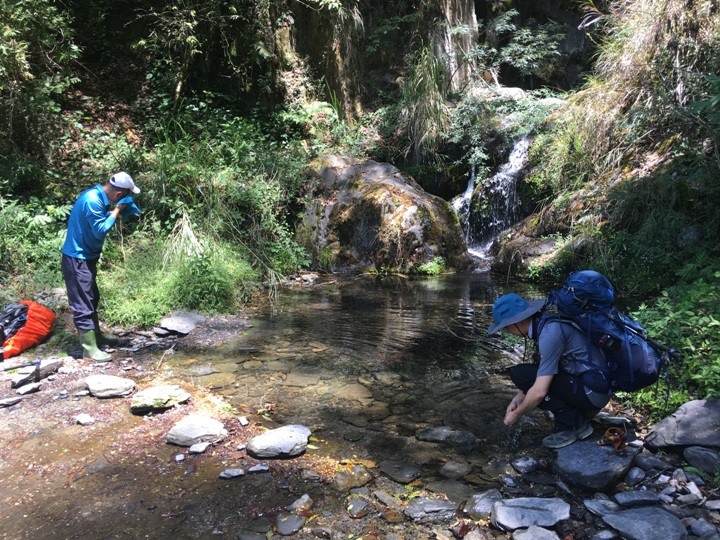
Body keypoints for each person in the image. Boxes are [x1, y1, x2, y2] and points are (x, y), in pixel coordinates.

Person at [487, 293, 611, 449]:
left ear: (516, 322)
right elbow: (543, 369)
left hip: (592, 393)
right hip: (593, 385)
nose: (506, 331)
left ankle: (573, 426)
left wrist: (517, 414)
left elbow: (539, 391)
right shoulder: (546, 322)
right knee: (525, 375)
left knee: (520, 374)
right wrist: (518, 399)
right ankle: (579, 414)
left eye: (505, 327)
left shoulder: (549, 334)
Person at [61, 172, 140, 362]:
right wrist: (117, 211)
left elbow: (96, 221)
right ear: (119, 193)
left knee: (92, 297)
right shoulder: (92, 200)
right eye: (126, 195)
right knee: (83, 303)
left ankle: (96, 337)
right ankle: (89, 349)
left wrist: (114, 211)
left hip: (87, 257)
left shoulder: (99, 197)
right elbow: (100, 231)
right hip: (77, 258)